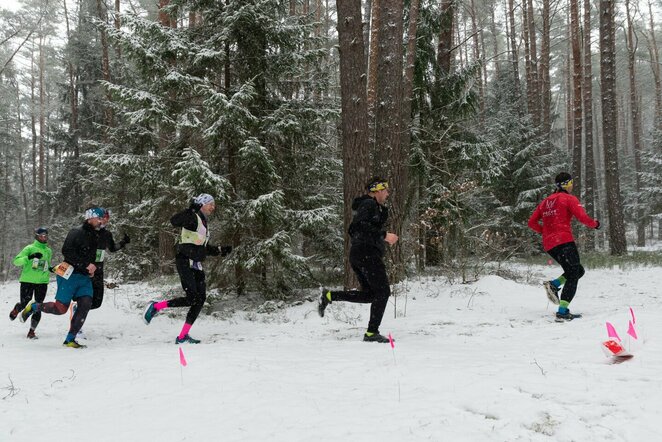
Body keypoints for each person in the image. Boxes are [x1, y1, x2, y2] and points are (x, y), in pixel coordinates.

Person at [318, 177, 399, 343]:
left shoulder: (374, 207)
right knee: (383, 292)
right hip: (366, 254)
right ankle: (371, 333)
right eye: (386, 190)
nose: (388, 193)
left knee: (370, 295)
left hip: (360, 254)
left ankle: (330, 296)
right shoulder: (369, 204)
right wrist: (384, 235)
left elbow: (363, 227)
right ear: (377, 190)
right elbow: (356, 228)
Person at [143, 193, 230, 344]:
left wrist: (220, 250)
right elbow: (174, 221)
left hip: (196, 264)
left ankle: (183, 336)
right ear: (202, 204)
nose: (213, 207)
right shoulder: (192, 217)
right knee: (192, 298)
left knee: (200, 299)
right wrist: (190, 210)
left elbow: (201, 246)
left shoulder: (202, 222)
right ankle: (156, 306)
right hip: (185, 262)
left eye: (213, 204)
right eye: (210, 204)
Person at [20, 207, 104, 348]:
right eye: (99, 218)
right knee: (61, 309)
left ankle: (70, 339)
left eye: (102, 219)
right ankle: (35, 306)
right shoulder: (76, 232)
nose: (101, 221)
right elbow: (67, 251)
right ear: (90, 218)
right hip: (68, 275)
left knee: (85, 304)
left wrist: (94, 267)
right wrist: (85, 264)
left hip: (84, 278)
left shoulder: (96, 236)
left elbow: (94, 256)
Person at [528, 172, 600, 321]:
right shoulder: (568, 199)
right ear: (565, 184)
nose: (572, 185)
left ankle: (554, 285)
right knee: (574, 273)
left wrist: (547, 232)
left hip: (550, 244)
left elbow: (531, 222)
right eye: (571, 183)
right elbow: (582, 217)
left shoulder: (545, 202)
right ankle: (562, 311)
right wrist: (595, 224)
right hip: (564, 241)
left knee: (577, 270)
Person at [9, 227, 53, 339]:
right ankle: (16, 309)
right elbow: (16, 261)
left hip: (42, 282)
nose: (43, 238)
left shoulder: (48, 251)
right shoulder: (29, 248)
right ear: (36, 236)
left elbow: (45, 266)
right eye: (41, 236)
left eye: (45, 236)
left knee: (38, 306)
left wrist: (51, 269)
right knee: (24, 303)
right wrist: (30, 257)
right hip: (27, 281)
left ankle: (31, 332)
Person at [91, 210, 130, 310]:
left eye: (106, 218)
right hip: (86, 268)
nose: (104, 220)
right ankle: (79, 309)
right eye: (102, 218)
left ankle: (79, 308)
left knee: (97, 302)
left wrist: (123, 242)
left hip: (99, 269)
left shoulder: (107, 234)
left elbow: (112, 248)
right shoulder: (87, 232)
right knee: (85, 297)